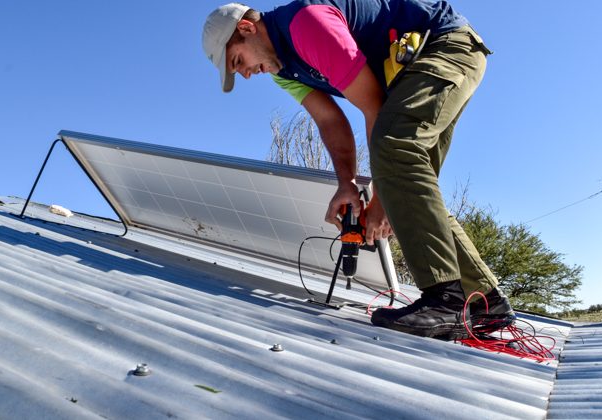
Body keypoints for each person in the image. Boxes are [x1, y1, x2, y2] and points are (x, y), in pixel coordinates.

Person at [202, 1, 515, 339]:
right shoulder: (281, 70)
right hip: (421, 66)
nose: (247, 73)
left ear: (247, 29)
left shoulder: (307, 24)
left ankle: (446, 299)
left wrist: (380, 201)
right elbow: (329, 121)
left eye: (238, 62)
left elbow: (373, 105)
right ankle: (487, 301)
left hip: (445, 47)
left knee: (395, 152)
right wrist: (347, 184)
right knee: (409, 190)